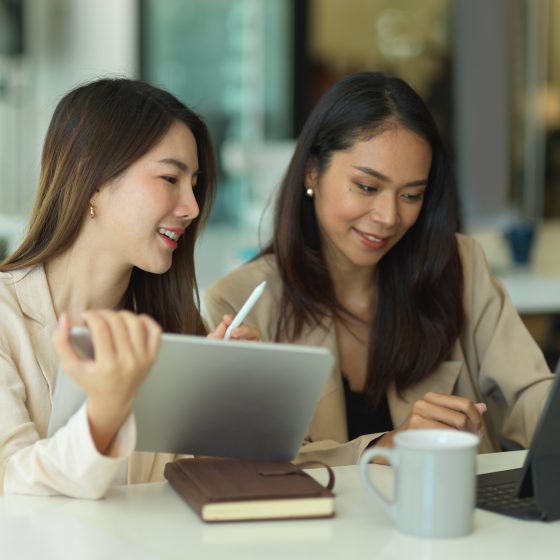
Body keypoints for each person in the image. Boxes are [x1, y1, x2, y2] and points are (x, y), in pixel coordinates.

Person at [204, 71, 554, 466]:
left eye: (411, 195)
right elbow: (251, 463)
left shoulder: (458, 265)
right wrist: (387, 447)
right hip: (320, 527)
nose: (389, 217)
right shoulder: (237, 304)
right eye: (367, 187)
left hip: (457, 520)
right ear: (311, 172)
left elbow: (532, 396)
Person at [0, 78, 257, 498]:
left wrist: (222, 403)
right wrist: (106, 409)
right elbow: (11, 483)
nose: (191, 207)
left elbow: (183, 490)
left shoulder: (176, 328)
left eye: (194, 184)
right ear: (90, 176)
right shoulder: (5, 316)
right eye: (170, 178)